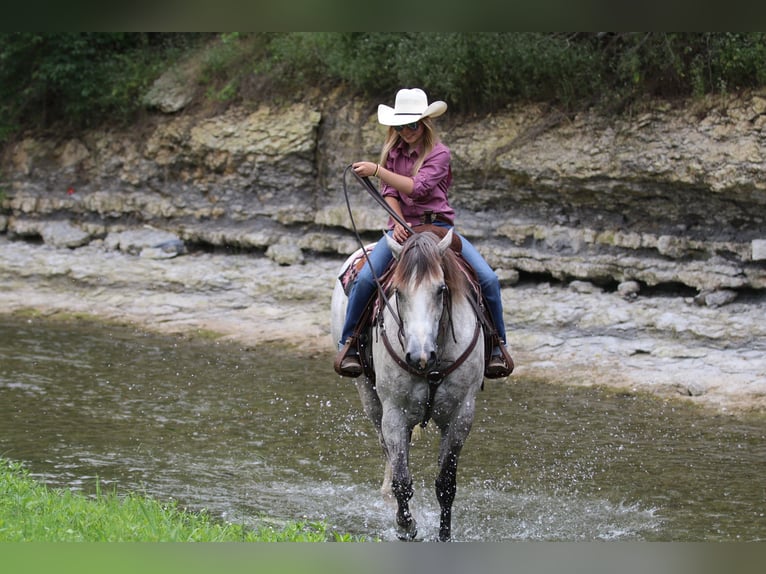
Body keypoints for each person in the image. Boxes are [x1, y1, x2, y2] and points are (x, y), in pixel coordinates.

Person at [335, 88, 512, 379]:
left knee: (488, 279)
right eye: (400, 126)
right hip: (402, 227)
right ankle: (350, 344)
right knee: (366, 278)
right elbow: (390, 192)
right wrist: (399, 223)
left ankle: (496, 347)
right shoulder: (395, 152)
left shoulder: (440, 154)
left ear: (425, 124)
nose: (406, 131)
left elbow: (419, 187)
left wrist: (377, 169)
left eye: (412, 125)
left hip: (439, 229)